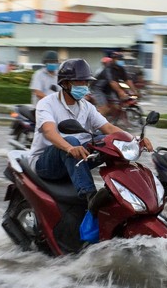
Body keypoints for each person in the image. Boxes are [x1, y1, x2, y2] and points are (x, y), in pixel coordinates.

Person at [25, 58, 153, 210]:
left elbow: (109, 128)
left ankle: (122, 191)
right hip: (45, 163)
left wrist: (136, 140)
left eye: (86, 83)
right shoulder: (47, 103)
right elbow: (49, 131)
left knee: (108, 141)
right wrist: (69, 148)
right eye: (79, 82)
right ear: (65, 83)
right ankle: (90, 195)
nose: (84, 87)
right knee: (72, 140)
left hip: (75, 157)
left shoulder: (87, 106)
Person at [91, 51, 140, 117]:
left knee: (116, 106)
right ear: (113, 59)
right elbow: (112, 82)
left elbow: (127, 80)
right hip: (98, 89)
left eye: (121, 59)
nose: (120, 61)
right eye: (118, 59)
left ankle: (112, 122)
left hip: (109, 90)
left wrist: (134, 91)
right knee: (104, 108)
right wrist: (120, 92)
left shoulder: (120, 69)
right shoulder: (108, 69)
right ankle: (95, 124)